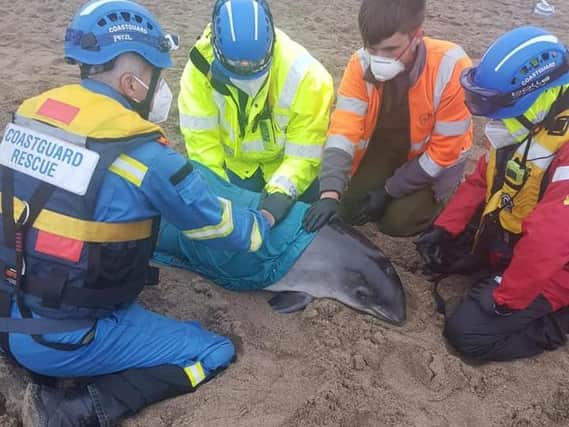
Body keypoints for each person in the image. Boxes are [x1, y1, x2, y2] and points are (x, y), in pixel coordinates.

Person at [0, 1, 274, 425]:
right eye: (156, 74)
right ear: (132, 82)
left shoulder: (31, 115)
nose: (159, 86)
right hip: (59, 337)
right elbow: (223, 229)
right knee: (213, 351)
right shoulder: (145, 154)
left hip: (8, 310)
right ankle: (79, 409)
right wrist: (266, 220)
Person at [415, 26, 569, 362]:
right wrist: (446, 226)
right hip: (522, 231)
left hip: (560, 264)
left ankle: (559, 323)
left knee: (467, 335)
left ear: (534, 96)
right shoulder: (526, 122)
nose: (487, 114)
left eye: (494, 103)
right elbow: (487, 177)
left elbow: (550, 241)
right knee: (441, 251)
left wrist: (505, 299)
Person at [303, 0, 473, 237]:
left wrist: (389, 190)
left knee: (396, 223)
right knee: (348, 210)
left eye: (391, 49)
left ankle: (442, 199)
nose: (380, 59)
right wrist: (330, 193)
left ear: (417, 36)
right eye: (372, 49)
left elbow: (442, 154)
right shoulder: (360, 63)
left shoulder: (452, 67)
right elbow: (343, 130)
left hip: (430, 161)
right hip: (385, 148)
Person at [178, 0, 334, 226]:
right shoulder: (200, 68)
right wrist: (221, 195)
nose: (246, 71)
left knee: (301, 222)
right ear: (216, 48)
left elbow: (304, 153)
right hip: (237, 170)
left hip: (288, 168)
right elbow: (202, 145)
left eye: (258, 64)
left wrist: (280, 195)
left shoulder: (308, 78)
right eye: (234, 64)